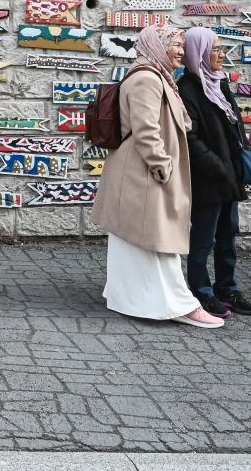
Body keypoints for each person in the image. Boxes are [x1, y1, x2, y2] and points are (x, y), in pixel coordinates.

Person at [90, 24, 222, 329]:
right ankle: (181, 304)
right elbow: (146, 130)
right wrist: (162, 167)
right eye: (174, 44)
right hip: (144, 173)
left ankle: (130, 299)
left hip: (139, 172)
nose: (180, 50)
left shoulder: (157, 76)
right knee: (160, 242)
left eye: (181, 44)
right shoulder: (147, 79)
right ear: (156, 44)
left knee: (137, 241)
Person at [179, 26, 251, 318]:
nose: (222, 55)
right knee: (204, 238)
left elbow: (234, 124)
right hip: (209, 177)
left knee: (228, 235)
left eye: (222, 49)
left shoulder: (219, 83)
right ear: (198, 52)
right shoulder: (187, 88)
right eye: (215, 49)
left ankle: (228, 289)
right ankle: (201, 292)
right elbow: (189, 137)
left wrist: (237, 160)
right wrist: (218, 165)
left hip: (230, 174)